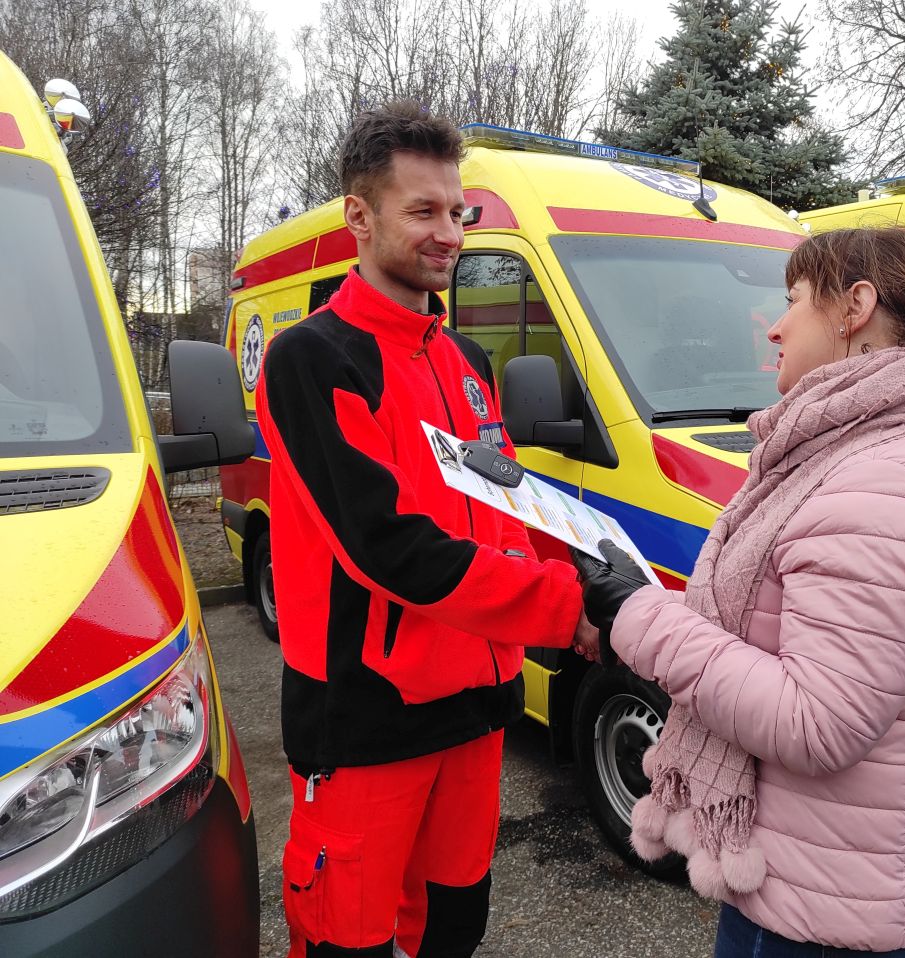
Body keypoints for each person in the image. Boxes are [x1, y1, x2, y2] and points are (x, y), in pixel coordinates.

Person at [575, 226, 905, 957]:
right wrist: (650, 604)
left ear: (855, 308)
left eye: (794, 300)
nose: (774, 328)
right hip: (824, 875)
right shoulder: (871, 449)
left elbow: (818, 721)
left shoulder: (880, 481)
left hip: (821, 912)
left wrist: (636, 616)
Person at [256, 102, 594, 958]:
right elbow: (386, 545)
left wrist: (591, 573)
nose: (450, 234)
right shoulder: (314, 358)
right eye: (424, 212)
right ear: (360, 217)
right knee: (349, 941)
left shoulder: (465, 361)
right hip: (367, 719)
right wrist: (564, 609)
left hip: (477, 713)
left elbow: (511, 508)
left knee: (453, 928)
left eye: (458, 211)